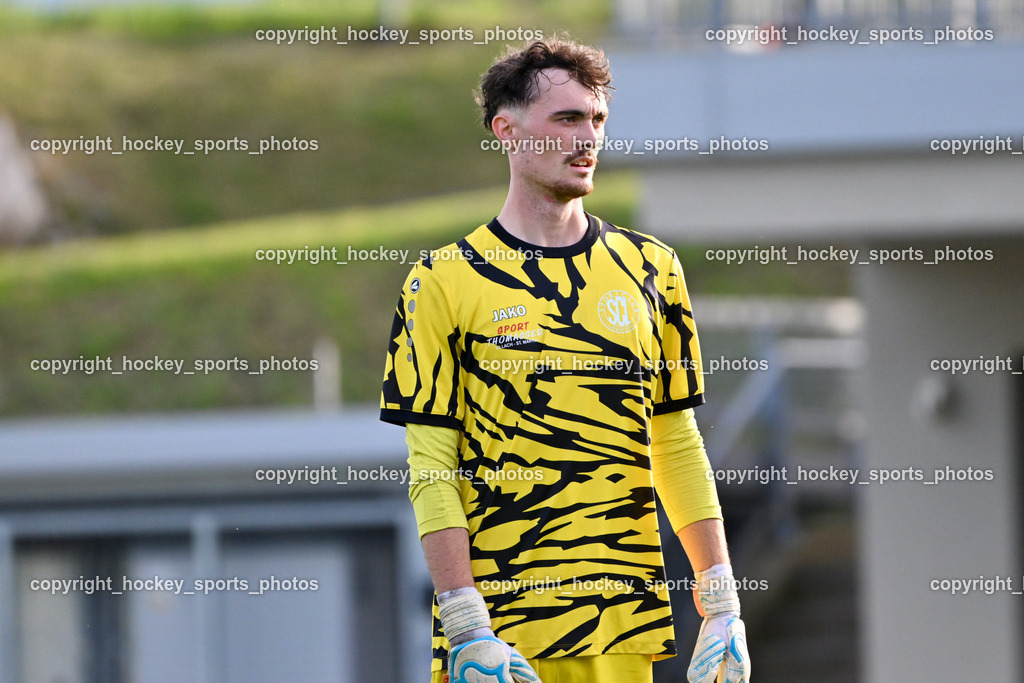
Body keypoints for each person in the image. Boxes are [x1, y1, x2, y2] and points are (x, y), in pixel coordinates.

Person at [381, 35, 750, 683]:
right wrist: (465, 622)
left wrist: (721, 599)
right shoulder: (440, 281)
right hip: (502, 640)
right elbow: (431, 466)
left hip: (625, 632)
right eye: (568, 118)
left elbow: (675, 440)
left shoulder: (652, 269)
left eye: (597, 119)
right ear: (507, 129)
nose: (588, 138)